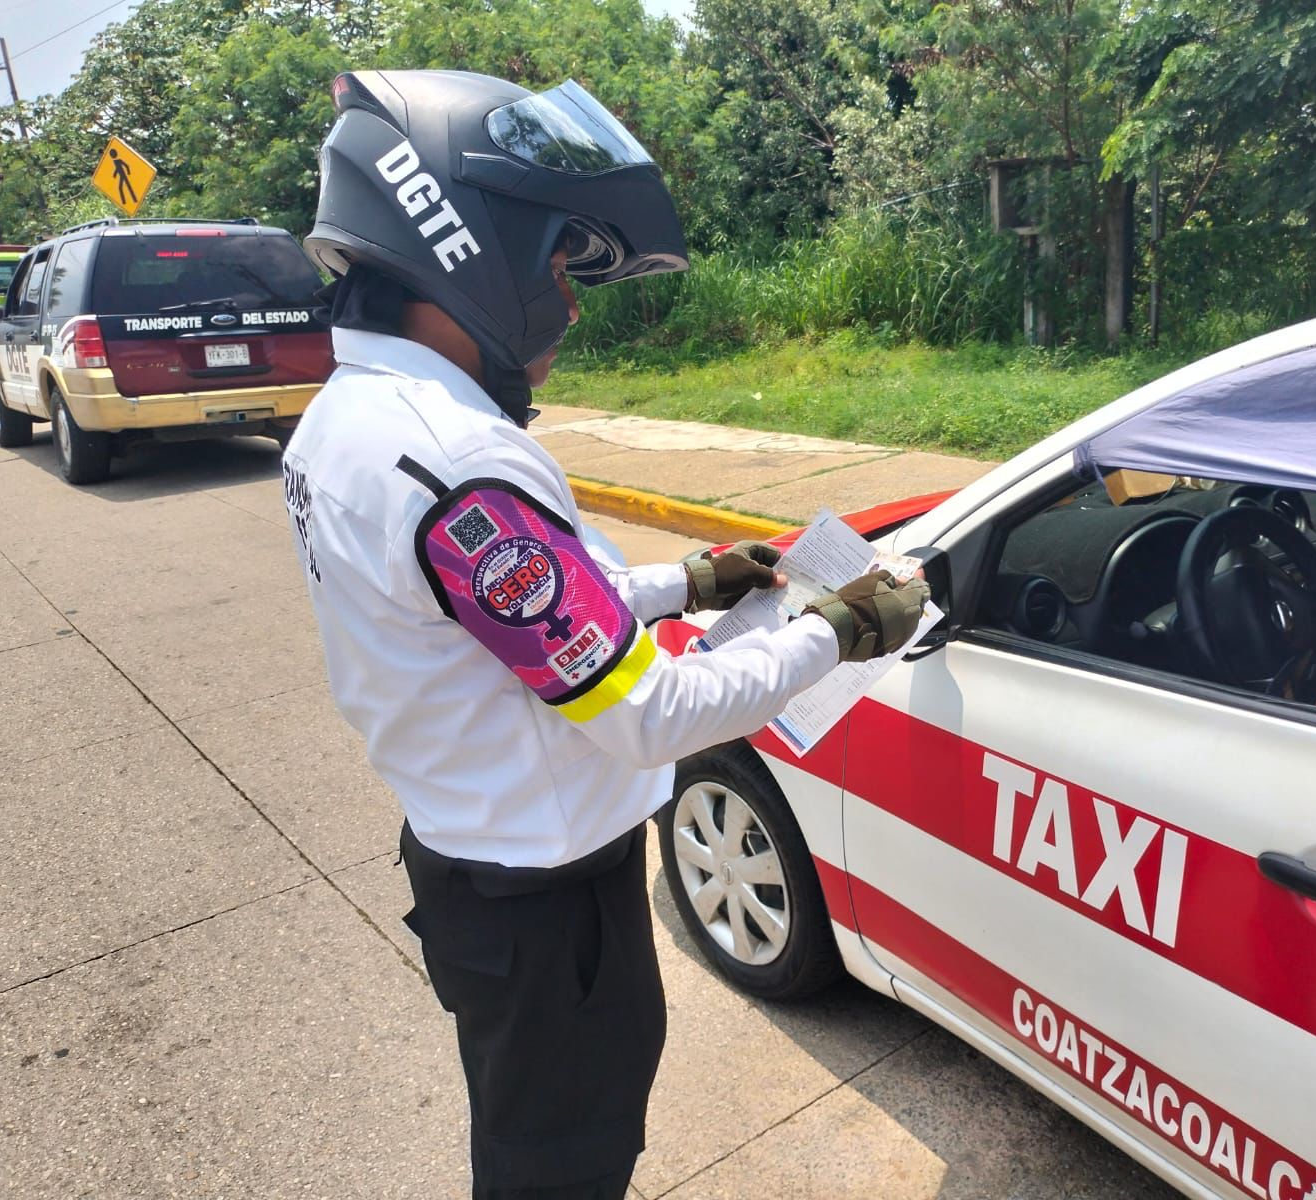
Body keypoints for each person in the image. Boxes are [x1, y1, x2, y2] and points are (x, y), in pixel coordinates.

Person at [282, 69, 929, 1200]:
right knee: (562, 1164)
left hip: (478, 864)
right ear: (470, 253)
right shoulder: (459, 463)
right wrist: (839, 629)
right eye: (555, 270)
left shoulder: (351, 419)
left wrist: (685, 581)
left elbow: (506, 618)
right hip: (544, 904)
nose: (572, 309)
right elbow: (649, 717)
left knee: (534, 1141)